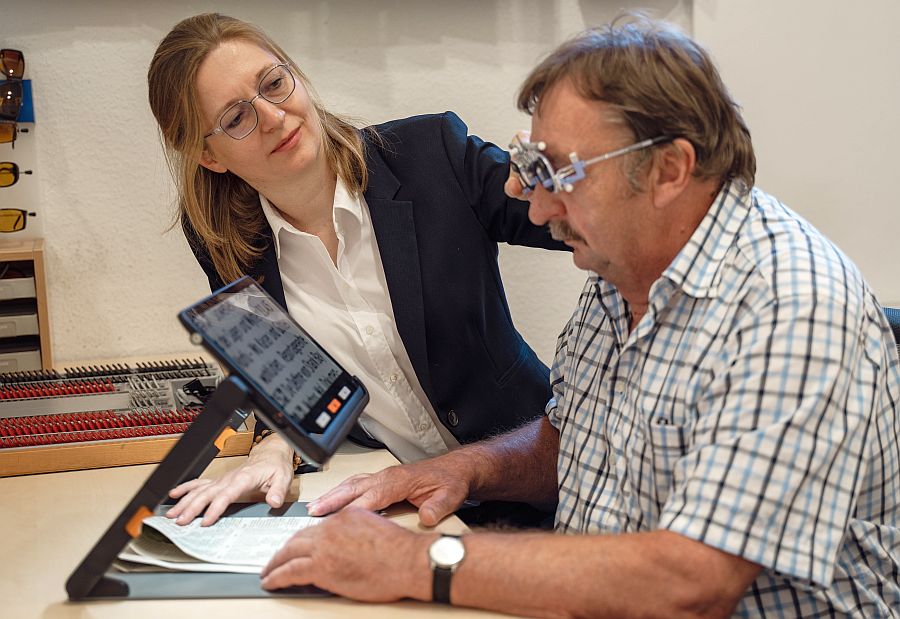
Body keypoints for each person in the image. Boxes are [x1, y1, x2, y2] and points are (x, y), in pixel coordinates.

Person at [258, 15, 900, 618]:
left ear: (669, 170)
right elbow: (575, 442)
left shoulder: (793, 307)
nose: (537, 209)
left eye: (559, 173)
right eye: (530, 167)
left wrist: (414, 561)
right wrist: (463, 469)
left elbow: (692, 583)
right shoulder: (623, 268)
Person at [147, 13, 566, 526]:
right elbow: (290, 384)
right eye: (236, 118)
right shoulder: (223, 240)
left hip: (543, 484)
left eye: (274, 84)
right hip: (409, 509)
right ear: (208, 156)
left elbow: (583, 217)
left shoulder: (432, 154)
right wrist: (272, 449)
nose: (274, 117)